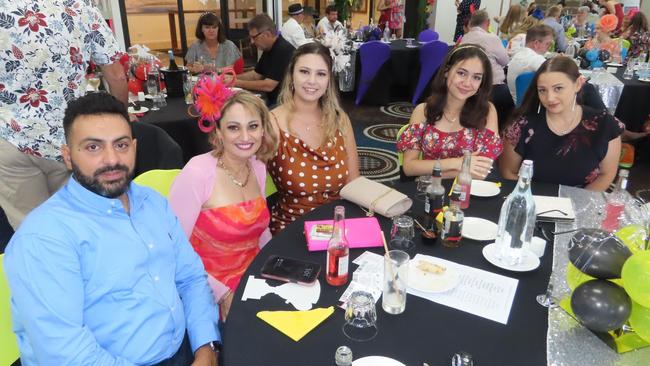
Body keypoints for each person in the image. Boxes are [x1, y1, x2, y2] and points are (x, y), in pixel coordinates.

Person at [4, 92, 220, 365]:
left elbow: (190, 279)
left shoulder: (152, 203)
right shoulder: (44, 237)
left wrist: (206, 346)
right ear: (68, 157)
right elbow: (65, 352)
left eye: (121, 145)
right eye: (93, 147)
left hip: (183, 349)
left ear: (135, 147)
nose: (111, 159)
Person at [0, 0, 128, 230]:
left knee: (33, 232)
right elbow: (116, 75)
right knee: (85, 226)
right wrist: (118, 126)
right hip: (70, 141)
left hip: (10, 140)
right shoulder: (80, 7)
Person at [169, 88, 277, 320]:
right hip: (206, 287)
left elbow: (260, 230)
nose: (246, 137)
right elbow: (173, 250)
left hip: (254, 279)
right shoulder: (198, 173)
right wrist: (222, 294)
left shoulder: (256, 165)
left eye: (253, 126)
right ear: (218, 131)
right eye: (233, 127)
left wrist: (278, 266)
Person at [268, 43, 360, 233]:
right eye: (304, 71)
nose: (312, 81)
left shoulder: (339, 118)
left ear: (329, 81)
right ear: (291, 75)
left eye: (321, 74)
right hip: (292, 230)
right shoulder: (272, 122)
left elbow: (353, 181)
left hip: (337, 227)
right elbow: (253, 185)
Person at [500, 56, 624, 190]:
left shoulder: (605, 125)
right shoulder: (521, 125)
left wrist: (577, 205)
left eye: (558, 88)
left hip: (581, 204)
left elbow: (606, 174)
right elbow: (508, 172)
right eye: (542, 90)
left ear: (577, 84)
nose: (550, 98)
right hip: (534, 202)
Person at [397, 44, 502, 179]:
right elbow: (409, 167)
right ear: (447, 71)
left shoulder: (487, 111)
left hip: (468, 192)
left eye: (476, 77)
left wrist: (430, 171)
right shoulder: (423, 111)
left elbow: (481, 173)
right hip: (429, 192)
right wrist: (458, 163)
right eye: (461, 73)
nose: (467, 83)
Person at [461, 10, 513, 128]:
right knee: (508, 97)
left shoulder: (465, 38)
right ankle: (499, 132)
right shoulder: (491, 38)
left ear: (471, 22)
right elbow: (505, 61)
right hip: (492, 87)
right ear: (488, 23)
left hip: (471, 86)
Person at [232, 14, 296, 107]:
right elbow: (256, 75)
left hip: (283, 104)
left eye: (254, 37)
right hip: (271, 99)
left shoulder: (283, 49)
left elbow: (269, 85)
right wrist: (233, 78)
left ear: (267, 34)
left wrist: (236, 82)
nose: (252, 42)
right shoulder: (268, 48)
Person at [507, 25, 554, 101]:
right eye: (547, 44)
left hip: (516, 103)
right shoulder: (535, 59)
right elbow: (556, 76)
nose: (549, 47)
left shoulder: (519, 54)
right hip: (529, 106)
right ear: (536, 43)